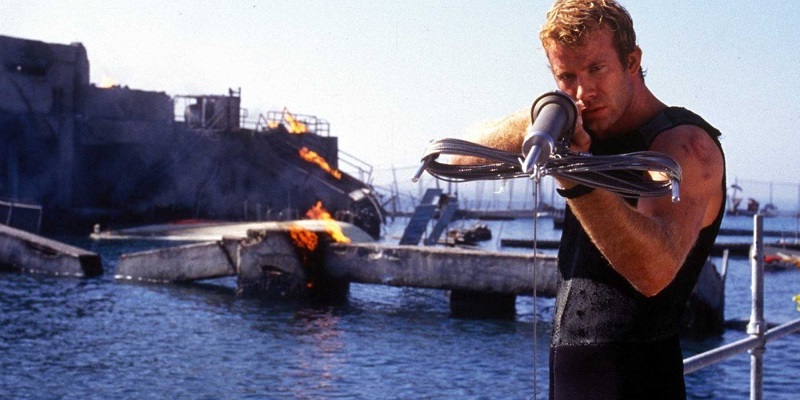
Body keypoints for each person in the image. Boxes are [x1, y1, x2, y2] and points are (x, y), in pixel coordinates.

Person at [460, 1, 726, 398]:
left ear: (632, 61)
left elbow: (653, 271)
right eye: (567, 76)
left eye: (597, 69)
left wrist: (573, 174)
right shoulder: (582, 127)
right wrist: (543, 116)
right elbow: (455, 157)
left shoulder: (684, 146)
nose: (584, 92)